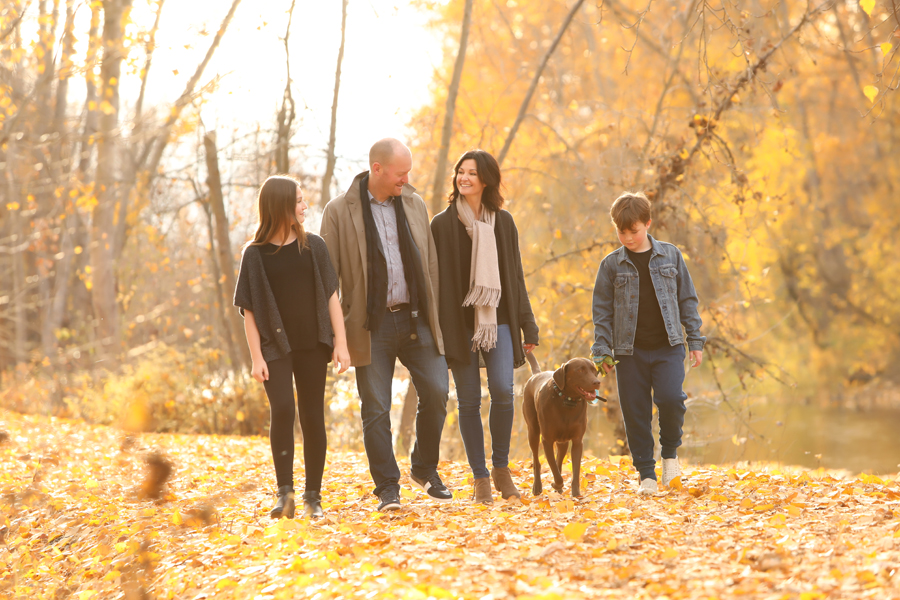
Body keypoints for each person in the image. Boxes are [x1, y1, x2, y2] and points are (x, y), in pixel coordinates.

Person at [320, 138, 452, 511]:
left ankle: (424, 468)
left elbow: (430, 267)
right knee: (375, 407)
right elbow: (327, 279)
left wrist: (436, 319)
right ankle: (387, 487)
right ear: (377, 169)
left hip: (415, 319)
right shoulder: (338, 211)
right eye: (400, 173)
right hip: (369, 326)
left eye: (408, 172)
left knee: (439, 392)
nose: (406, 179)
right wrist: (335, 337)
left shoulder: (413, 202)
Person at [234, 175, 350, 519]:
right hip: (275, 348)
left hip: (313, 344)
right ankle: (285, 494)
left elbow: (331, 297)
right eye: (299, 200)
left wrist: (340, 343)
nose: (305, 206)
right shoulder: (253, 255)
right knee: (283, 409)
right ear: (282, 206)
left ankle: (313, 495)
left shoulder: (314, 246)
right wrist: (256, 357)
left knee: (313, 416)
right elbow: (249, 312)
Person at [430, 149, 539, 504]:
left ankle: (501, 468)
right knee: (468, 400)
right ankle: (479, 477)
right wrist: (438, 331)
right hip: (458, 323)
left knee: (504, 392)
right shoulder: (442, 225)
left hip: (500, 320)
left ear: (486, 179)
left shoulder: (503, 223)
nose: (464, 178)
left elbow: (515, 277)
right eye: (460, 172)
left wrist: (528, 325)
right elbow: (436, 282)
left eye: (471, 173)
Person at [590, 191, 705, 495]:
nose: (627, 237)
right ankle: (646, 475)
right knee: (635, 410)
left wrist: (695, 339)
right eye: (621, 231)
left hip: (668, 345)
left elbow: (687, 299)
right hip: (629, 351)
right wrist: (601, 349)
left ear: (648, 223)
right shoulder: (610, 265)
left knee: (671, 399)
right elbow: (601, 312)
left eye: (634, 231)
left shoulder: (670, 255)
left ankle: (669, 456)